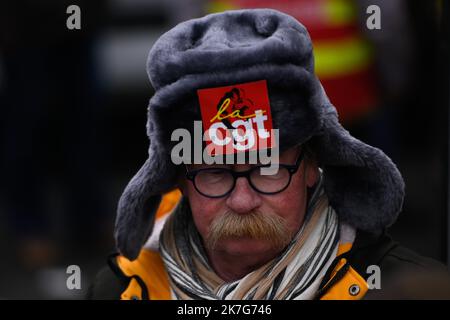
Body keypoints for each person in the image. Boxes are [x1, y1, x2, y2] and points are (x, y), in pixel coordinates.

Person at [89, 8, 449, 300]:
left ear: (312, 165)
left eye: (269, 168)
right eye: (216, 172)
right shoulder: (119, 290)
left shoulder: (398, 288)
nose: (243, 201)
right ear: (179, 179)